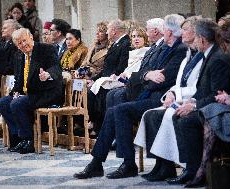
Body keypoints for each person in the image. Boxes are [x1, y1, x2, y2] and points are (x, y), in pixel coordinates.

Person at [73, 14, 187, 180]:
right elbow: (144, 73)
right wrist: (146, 75)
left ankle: (127, 163)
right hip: (150, 93)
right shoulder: (165, 48)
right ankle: (97, 163)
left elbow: (165, 77)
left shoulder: (179, 50)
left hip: (161, 98)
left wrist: (144, 77)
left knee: (119, 110)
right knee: (113, 110)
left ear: (169, 32)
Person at [165, 19, 230, 186]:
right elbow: (203, 89)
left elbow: (217, 93)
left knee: (187, 121)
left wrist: (195, 105)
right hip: (212, 102)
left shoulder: (218, 58)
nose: (195, 41)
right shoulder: (209, 54)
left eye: (196, 37)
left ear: (203, 39)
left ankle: (198, 170)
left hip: (223, 106)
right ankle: (190, 168)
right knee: (179, 115)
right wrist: (191, 100)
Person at [134, 16, 203, 181]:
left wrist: (177, 95)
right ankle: (162, 165)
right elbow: (180, 81)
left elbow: (198, 86)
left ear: (197, 33)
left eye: (185, 30)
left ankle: (185, 167)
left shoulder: (200, 55)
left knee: (161, 115)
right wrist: (172, 93)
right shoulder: (189, 53)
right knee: (150, 114)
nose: (181, 33)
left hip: (192, 101)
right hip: (179, 97)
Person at [185, 20, 230, 188]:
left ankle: (204, 167)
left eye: (227, 43)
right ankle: (206, 167)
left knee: (210, 113)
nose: (226, 48)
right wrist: (229, 96)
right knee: (210, 110)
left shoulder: (223, 58)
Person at [0, 28, 62, 154]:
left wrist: (48, 74)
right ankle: (17, 138)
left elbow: (57, 68)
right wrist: (15, 91)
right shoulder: (19, 55)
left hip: (46, 93)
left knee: (17, 104)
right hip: (27, 93)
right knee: (2, 103)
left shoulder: (46, 49)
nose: (23, 44)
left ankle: (29, 140)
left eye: (24, 40)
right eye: (19, 43)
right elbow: (19, 79)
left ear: (31, 37)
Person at [88, 26, 149, 137]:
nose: (136, 39)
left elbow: (140, 70)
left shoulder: (147, 52)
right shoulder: (133, 52)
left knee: (114, 94)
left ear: (145, 38)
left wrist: (125, 75)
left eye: (139, 36)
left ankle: (118, 133)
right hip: (127, 81)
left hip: (138, 84)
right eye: (134, 36)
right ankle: (109, 130)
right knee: (109, 93)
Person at [86, 19, 131, 136]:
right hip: (106, 79)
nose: (107, 33)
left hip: (116, 80)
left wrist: (109, 77)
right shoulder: (116, 44)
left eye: (109, 30)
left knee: (98, 94)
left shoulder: (126, 43)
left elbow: (122, 66)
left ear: (115, 31)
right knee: (89, 91)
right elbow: (106, 68)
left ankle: (100, 128)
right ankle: (96, 124)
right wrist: (94, 79)